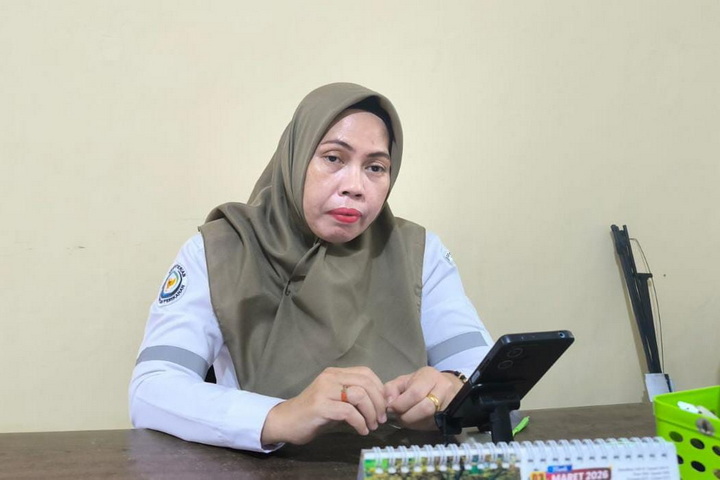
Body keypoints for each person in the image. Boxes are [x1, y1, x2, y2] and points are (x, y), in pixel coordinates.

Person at [129, 82, 493, 452]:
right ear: (296, 157)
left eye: (375, 167)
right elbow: (152, 389)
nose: (355, 186)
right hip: (263, 469)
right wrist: (280, 416)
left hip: (398, 467)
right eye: (334, 158)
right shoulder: (220, 250)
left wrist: (453, 387)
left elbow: (481, 368)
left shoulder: (417, 251)